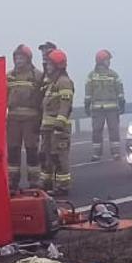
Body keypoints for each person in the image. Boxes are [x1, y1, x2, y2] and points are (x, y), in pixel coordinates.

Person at [5, 44, 44, 189]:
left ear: (28, 59)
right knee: (13, 150)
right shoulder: (9, 76)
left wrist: (41, 119)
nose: (18, 60)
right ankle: (12, 180)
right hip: (13, 118)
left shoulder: (38, 76)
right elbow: (2, 96)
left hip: (31, 118)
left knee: (32, 150)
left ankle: (34, 181)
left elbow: (43, 98)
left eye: (21, 57)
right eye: (16, 57)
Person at [39, 49, 76, 196]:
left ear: (57, 65)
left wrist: (59, 124)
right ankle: (46, 183)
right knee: (45, 155)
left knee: (58, 157)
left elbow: (65, 105)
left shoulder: (64, 82)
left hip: (58, 129)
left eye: (49, 64)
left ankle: (63, 186)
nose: (47, 67)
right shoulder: (50, 83)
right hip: (47, 128)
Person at [84, 49, 126, 161]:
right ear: (100, 61)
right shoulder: (92, 75)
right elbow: (88, 92)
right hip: (98, 109)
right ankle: (97, 154)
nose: (109, 62)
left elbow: (120, 90)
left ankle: (116, 153)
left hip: (112, 109)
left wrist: (122, 102)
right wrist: (87, 103)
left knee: (114, 131)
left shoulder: (114, 75)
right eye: (107, 60)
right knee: (97, 131)